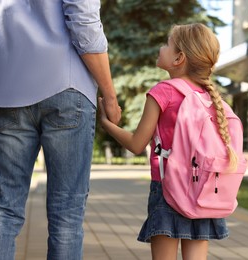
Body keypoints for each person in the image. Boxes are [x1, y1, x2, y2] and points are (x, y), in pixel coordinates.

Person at [0, 1, 121, 259]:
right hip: (67, 86)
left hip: (6, 90)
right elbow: (84, 22)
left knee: (2, 211)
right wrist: (110, 96)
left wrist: (5, 45)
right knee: (67, 214)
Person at [98, 23, 236, 260]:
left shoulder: (163, 92)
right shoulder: (209, 98)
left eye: (167, 44)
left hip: (167, 189)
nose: (161, 48)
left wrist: (107, 124)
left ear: (179, 58)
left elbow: (136, 144)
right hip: (202, 189)